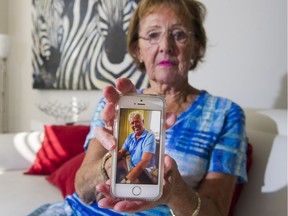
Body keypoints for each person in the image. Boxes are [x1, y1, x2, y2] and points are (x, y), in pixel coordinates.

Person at [28, 0, 248, 215]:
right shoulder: (116, 104)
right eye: (153, 35)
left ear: (196, 46)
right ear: (137, 50)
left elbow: (216, 210)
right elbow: (83, 189)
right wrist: (109, 166)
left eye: (179, 34)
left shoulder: (225, 114)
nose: (165, 46)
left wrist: (174, 192)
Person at [117, 112, 157, 184]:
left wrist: (127, 180)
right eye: (132, 123)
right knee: (117, 164)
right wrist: (112, 158)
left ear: (143, 122)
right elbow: (121, 152)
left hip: (146, 169)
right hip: (132, 165)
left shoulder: (150, 136)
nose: (135, 125)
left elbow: (145, 161)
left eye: (137, 121)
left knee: (131, 183)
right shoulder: (130, 136)